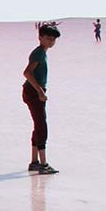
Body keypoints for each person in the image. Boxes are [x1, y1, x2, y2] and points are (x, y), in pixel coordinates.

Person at [23, 24, 61, 174]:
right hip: (33, 92)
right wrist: (40, 91)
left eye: (53, 39)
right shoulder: (38, 53)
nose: (51, 41)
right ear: (40, 37)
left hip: (33, 91)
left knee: (38, 125)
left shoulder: (42, 52)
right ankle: (43, 165)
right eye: (48, 38)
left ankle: (34, 162)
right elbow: (27, 73)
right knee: (42, 126)